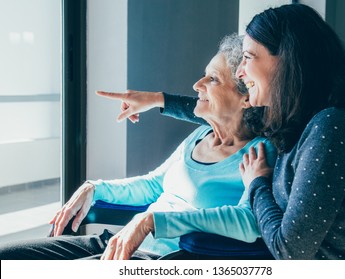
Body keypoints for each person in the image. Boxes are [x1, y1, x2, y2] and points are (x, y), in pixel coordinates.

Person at [110, 4, 345, 260]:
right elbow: (227, 110)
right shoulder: (295, 123)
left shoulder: (332, 127)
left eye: (247, 58)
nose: (241, 73)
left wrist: (256, 184)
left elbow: (290, 250)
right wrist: (158, 100)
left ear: (287, 61)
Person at [0, 34, 276, 260]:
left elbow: (248, 221)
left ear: (246, 97)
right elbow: (153, 185)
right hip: (120, 243)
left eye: (213, 79)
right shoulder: (199, 137)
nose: (197, 85)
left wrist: (154, 221)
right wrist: (94, 187)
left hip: (160, 259)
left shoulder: (259, 153)